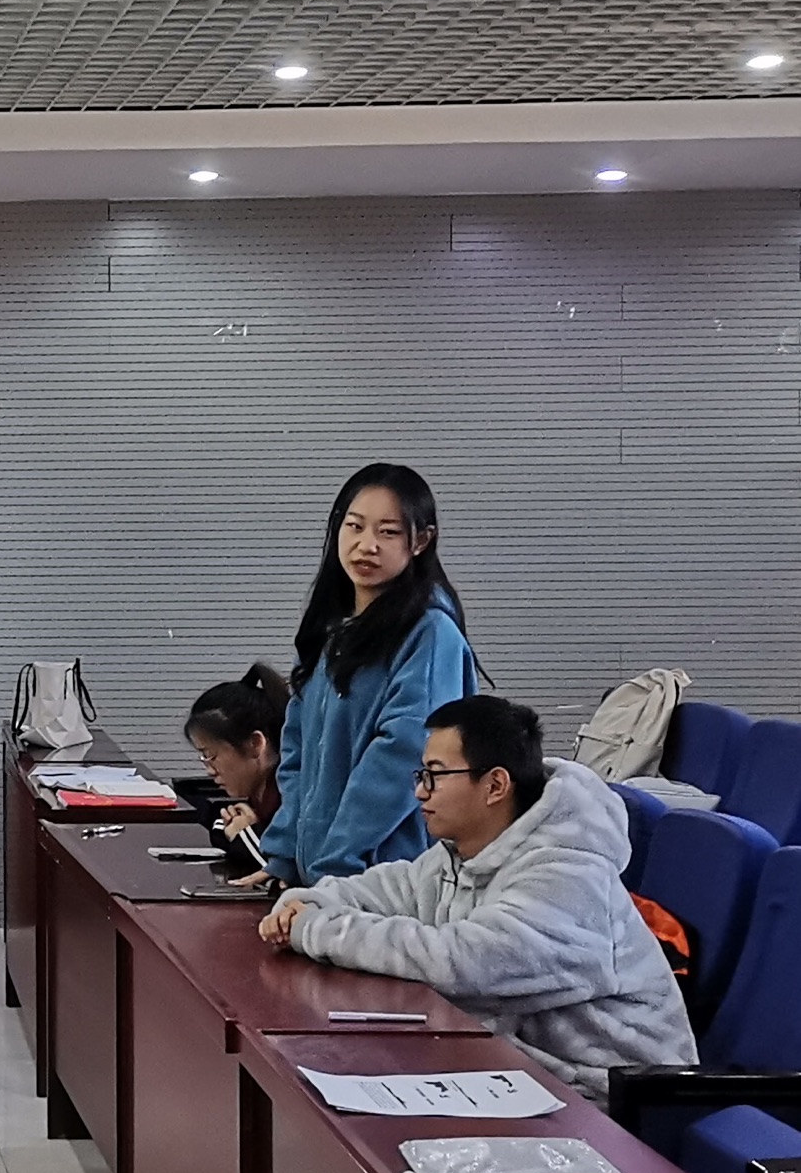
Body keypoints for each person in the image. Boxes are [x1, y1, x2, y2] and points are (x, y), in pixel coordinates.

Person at [258, 695, 697, 1096]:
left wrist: (315, 930)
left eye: (435, 775)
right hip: (516, 1074)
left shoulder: (569, 872)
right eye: (421, 774)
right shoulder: (463, 853)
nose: (420, 791)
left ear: (495, 785)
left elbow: (466, 964)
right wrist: (309, 903)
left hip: (610, 1100)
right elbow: (388, 890)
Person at [259, 464, 479, 886]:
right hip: (324, 876)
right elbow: (296, 750)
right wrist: (284, 855)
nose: (367, 545)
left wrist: (337, 864)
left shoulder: (430, 633)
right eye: (355, 526)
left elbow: (405, 755)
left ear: (421, 541)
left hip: (387, 880)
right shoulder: (331, 630)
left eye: (388, 532)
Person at [184, 664, 289, 864]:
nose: (209, 771)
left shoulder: (291, 797)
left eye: (210, 755)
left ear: (255, 744)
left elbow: (283, 870)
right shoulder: (259, 796)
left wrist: (244, 835)